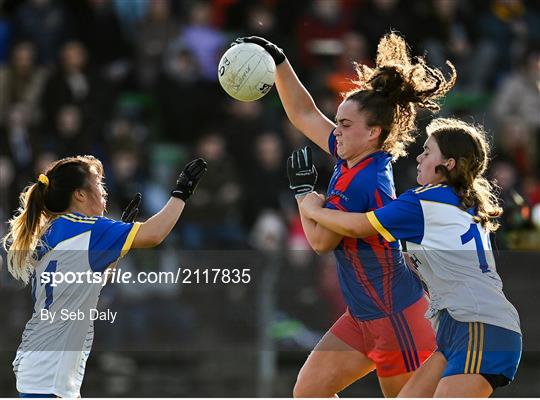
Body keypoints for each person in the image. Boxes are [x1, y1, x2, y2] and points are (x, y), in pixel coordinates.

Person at [235, 34, 456, 397]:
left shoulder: (364, 179)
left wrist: (305, 195)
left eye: (345, 125)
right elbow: (304, 114)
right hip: (363, 315)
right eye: (337, 122)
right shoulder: (351, 156)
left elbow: (320, 242)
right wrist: (279, 61)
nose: (336, 131)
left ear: (373, 132)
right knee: (307, 392)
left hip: (395, 317)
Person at [299, 118, 522, 397]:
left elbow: (355, 226)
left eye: (428, 152)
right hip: (462, 330)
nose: (419, 156)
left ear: (449, 164)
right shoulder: (466, 201)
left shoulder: (424, 202)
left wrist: (312, 207)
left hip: (479, 328)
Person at [3, 154, 207, 398]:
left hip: (40, 365)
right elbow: (155, 234)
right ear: (79, 194)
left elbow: (89, 280)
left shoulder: (52, 229)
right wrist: (181, 193)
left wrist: (114, 250)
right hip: (52, 373)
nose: (103, 191)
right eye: (98, 184)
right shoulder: (91, 228)